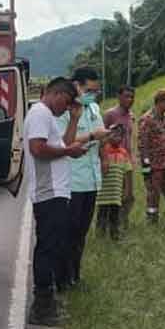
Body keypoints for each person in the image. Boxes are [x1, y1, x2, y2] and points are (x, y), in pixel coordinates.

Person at [24, 77, 87, 327]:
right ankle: (42, 307)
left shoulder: (45, 116)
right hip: (48, 193)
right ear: (58, 94)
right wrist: (68, 152)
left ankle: (46, 302)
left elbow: (55, 145)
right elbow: (37, 149)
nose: (67, 107)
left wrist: (68, 147)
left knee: (53, 246)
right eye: (68, 102)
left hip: (54, 193)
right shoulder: (40, 113)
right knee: (48, 248)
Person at [57, 67, 110, 289]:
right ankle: (61, 279)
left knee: (81, 232)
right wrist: (90, 135)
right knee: (68, 232)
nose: (93, 95)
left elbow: (101, 135)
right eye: (89, 90)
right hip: (72, 181)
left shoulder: (94, 108)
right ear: (76, 86)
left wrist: (107, 142)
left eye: (96, 92)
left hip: (91, 180)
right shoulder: (63, 111)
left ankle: (75, 276)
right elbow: (61, 142)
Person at [138, 89, 165, 222]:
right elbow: (142, 144)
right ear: (160, 102)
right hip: (154, 166)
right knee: (153, 194)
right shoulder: (147, 119)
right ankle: (152, 221)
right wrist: (146, 166)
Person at [102, 85, 136, 226]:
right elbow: (102, 137)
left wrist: (132, 158)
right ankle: (107, 225)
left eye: (132, 97)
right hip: (112, 160)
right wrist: (103, 159)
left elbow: (130, 137)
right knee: (111, 196)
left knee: (128, 195)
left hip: (126, 160)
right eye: (127, 96)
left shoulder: (131, 116)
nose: (130, 99)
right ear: (119, 96)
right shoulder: (110, 114)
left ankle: (122, 223)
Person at [95, 126, 133, 240]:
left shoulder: (123, 153)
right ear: (108, 135)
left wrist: (127, 191)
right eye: (113, 134)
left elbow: (128, 172)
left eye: (119, 135)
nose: (117, 138)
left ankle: (114, 235)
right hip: (103, 193)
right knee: (102, 214)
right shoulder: (103, 151)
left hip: (116, 193)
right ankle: (100, 235)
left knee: (115, 215)